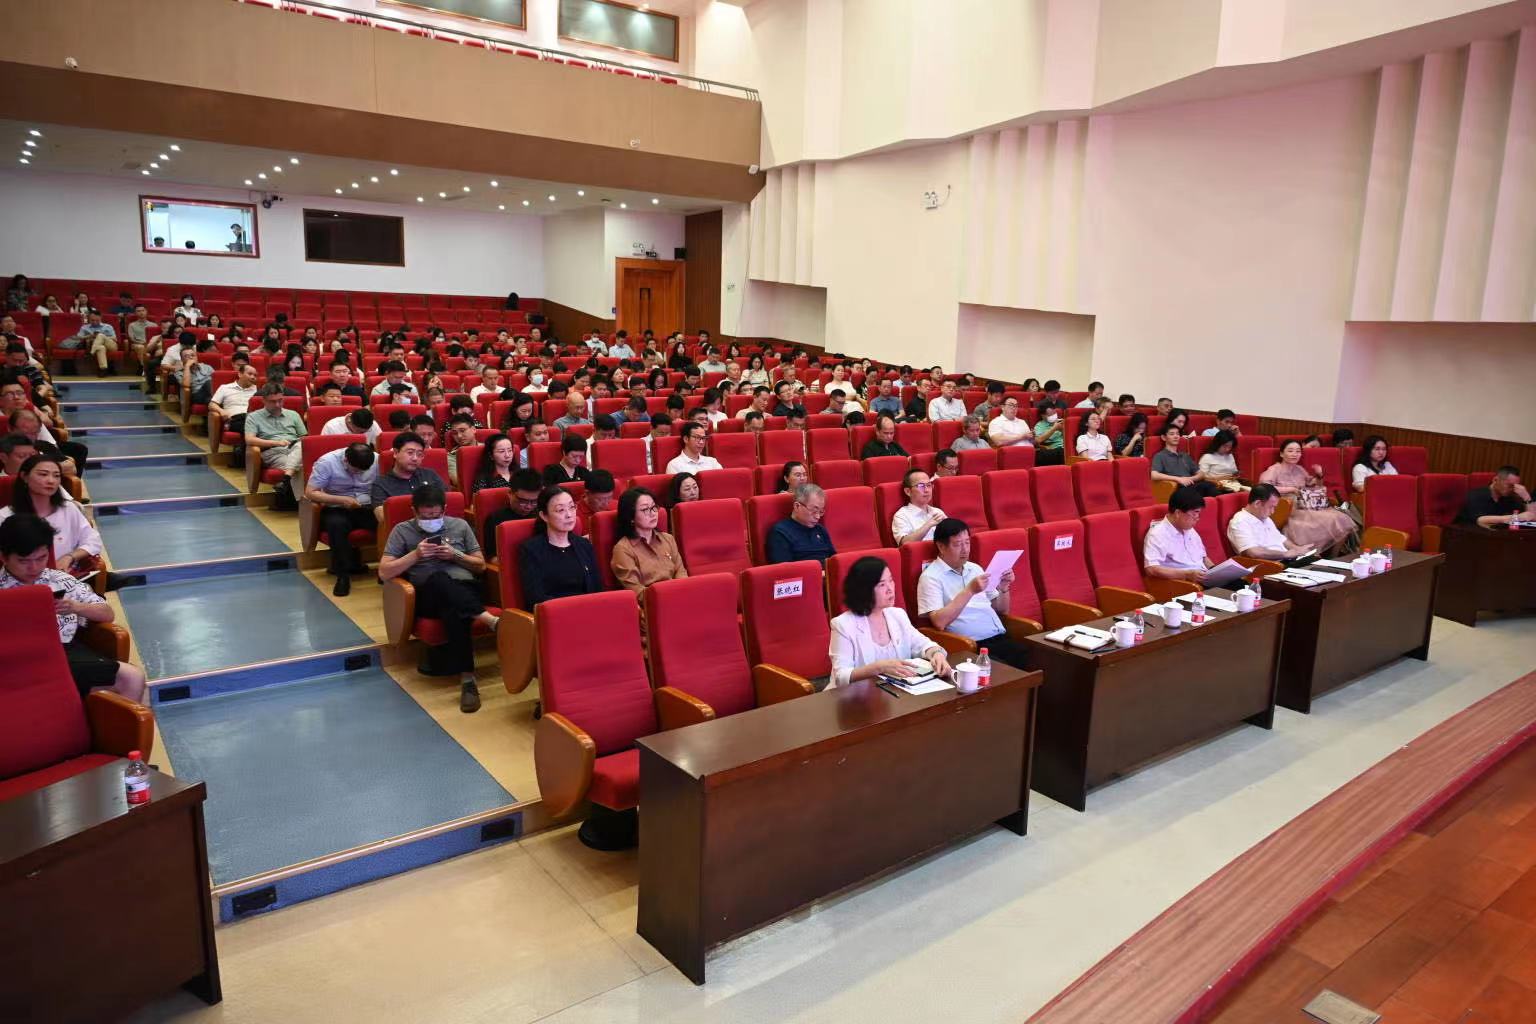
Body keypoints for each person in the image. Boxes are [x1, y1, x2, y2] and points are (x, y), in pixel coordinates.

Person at [0, 514, 146, 702]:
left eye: (41, 558)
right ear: (4, 557)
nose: (34, 567)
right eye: (24, 561)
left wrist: (76, 607)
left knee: (133, 677)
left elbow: (107, 614)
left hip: (65, 653)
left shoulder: (60, 580)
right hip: (13, 659)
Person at [380, 483, 495, 713]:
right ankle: (488, 620)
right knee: (439, 579)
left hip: (465, 588)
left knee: (453, 607)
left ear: (444, 510)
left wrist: (456, 555)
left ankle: (468, 680)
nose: (431, 520)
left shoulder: (460, 525)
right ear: (414, 511)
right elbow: (384, 572)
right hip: (426, 595)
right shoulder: (402, 530)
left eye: (436, 515)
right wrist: (415, 554)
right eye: (425, 516)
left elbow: (480, 566)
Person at [917, 517, 1029, 668]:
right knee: (1007, 670)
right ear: (941, 547)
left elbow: (1002, 610)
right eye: (958, 544)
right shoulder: (931, 577)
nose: (965, 550)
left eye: (967, 542)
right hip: (971, 646)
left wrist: (1003, 586)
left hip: (1000, 637)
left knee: (1036, 658)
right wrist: (969, 591)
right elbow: (939, 622)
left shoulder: (975, 569)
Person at [828, 555, 950, 689]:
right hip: (855, 696)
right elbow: (841, 676)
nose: (890, 589)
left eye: (891, 580)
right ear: (864, 590)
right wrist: (879, 667)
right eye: (882, 584)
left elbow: (923, 644)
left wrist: (936, 654)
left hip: (895, 693)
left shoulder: (897, 615)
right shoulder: (843, 625)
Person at [0, 454, 102, 576]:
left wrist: (70, 557)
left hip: (70, 575)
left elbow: (92, 540)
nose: (51, 480)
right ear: (24, 476)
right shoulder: (5, 516)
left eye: (56, 476)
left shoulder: (67, 508)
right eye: (43, 474)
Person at [304, 442, 379, 595]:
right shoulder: (327, 462)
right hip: (336, 507)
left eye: (363, 471)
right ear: (346, 460)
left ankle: (386, 571)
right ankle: (342, 576)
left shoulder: (377, 460)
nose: (359, 473)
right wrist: (342, 500)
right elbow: (311, 492)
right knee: (337, 526)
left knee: (387, 521)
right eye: (356, 470)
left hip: (366, 506)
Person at [1258, 440, 1356, 554]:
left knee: (1342, 518)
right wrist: (1290, 489)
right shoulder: (1275, 469)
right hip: (1287, 508)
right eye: (1290, 451)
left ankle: (1334, 556)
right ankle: (1315, 555)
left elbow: (1313, 486)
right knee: (1332, 519)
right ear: (1281, 454)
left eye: (1298, 451)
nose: (1294, 454)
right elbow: (1265, 487)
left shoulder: (1300, 469)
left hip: (1305, 505)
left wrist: (1319, 475)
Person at [518, 486, 601, 612]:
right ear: (544, 516)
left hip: (588, 611)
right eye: (560, 510)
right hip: (554, 614)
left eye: (572, 507)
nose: (569, 515)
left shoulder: (584, 545)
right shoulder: (531, 550)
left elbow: (596, 588)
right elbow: (535, 597)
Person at [610, 486, 687, 600]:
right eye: (645, 510)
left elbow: (681, 572)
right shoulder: (623, 549)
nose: (653, 513)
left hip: (679, 596)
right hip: (652, 603)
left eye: (654, 507)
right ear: (631, 516)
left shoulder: (668, 539)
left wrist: (683, 592)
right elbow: (636, 591)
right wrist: (668, 598)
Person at [243, 384, 306, 504]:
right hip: (273, 451)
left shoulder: (293, 414)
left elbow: (304, 437)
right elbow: (249, 440)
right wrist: (276, 443)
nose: (277, 405)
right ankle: (302, 504)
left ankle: (287, 482)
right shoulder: (253, 417)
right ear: (264, 400)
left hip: (295, 448)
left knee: (301, 446)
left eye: (280, 400)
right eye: (273, 401)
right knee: (299, 467)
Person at [1143, 486, 1212, 583]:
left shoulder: (1189, 529)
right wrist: (1186, 574)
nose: (1197, 518)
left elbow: (1203, 558)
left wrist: (1215, 570)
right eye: (1195, 513)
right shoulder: (1157, 534)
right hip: (1186, 584)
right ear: (1178, 513)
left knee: (1233, 581)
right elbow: (1151, 569)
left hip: (1205, 578)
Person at [1227, 484, 1313, 561]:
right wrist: (1286, 554)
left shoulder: (1264, 518)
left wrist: (1298, 549)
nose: (1272, 512)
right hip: (1270, 566)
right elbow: (1253, 552)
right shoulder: (1240, 522)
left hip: (1286, 560)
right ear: (1257, 503)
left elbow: (1281, 539)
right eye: (1271, 507)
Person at [371, 432, 445, 520]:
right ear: (396, 453)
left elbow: (447, 502)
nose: (415, 458)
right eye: (410, 453)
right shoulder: (381, 484)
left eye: (419, 454)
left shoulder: (430, 475)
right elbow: (383, 518)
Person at [481, 468, 544, 560]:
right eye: (523, 501)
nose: (528, 506)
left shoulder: (543, 515)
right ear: (510, 493)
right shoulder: (495, 519)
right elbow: (492, 557)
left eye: (534, 501)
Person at [766, 483, 835, 564]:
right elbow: (785, 569)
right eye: (814, 511)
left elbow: (833, 559)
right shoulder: (780, 532)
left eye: (821, 511)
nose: (818, 516)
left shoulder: (820, 529)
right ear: (797, 506)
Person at [1150, 423, 1219, 497]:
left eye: (1177, 434)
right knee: (1207, 488)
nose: (1176, 436)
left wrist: (1190, 479)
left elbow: (1201, 474)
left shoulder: (1185, 455)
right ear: (1164, 437)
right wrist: (1178, 479)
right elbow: (1154, 475)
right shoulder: (1160, 456)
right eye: (1172, 434)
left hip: (1192, 485)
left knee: (1211, 486)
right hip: (1176, 488)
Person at [1458, 466, 1535, 527]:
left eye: (1515, 486)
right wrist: (1515, 518)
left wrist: (1527, 497)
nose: (1512, 489)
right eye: (1509, 485)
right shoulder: (1476, 495)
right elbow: (1480, 520)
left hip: (1497, 536)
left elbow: (1532, 518)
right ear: (1495, 480)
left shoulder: (1510, 498)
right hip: (1470, 534)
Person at [892, 469, 946, 545]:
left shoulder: (937, 512)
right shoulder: (901, 515)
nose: (927, 490)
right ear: (908, 491)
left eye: (929, 485)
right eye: (921, 486)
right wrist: (928, 525)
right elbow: (904, 543)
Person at [60, 309, 119, 376]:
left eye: (97, 320)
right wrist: (90, 336)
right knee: (101, 348)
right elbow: (79, 338)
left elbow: (115, 338)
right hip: (96, 346)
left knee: (100, 335)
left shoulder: (108, 326)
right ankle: (103, 369)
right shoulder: (84, 327)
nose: (95, 322)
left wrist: (103, 337)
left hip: (111, 345)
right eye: (92, 320)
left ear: (100, 318)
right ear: (89, 319)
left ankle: (91, 352)